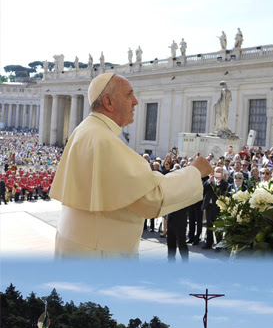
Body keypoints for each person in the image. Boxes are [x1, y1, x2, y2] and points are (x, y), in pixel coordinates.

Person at [50, 73, 212, 256]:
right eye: (129, 95)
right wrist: (195, 172)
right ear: (108, 102)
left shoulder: (87, 130)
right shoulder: (103, 140)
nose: (135, 101)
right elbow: (151, 198)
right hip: (98, 253)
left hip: (82, 243)